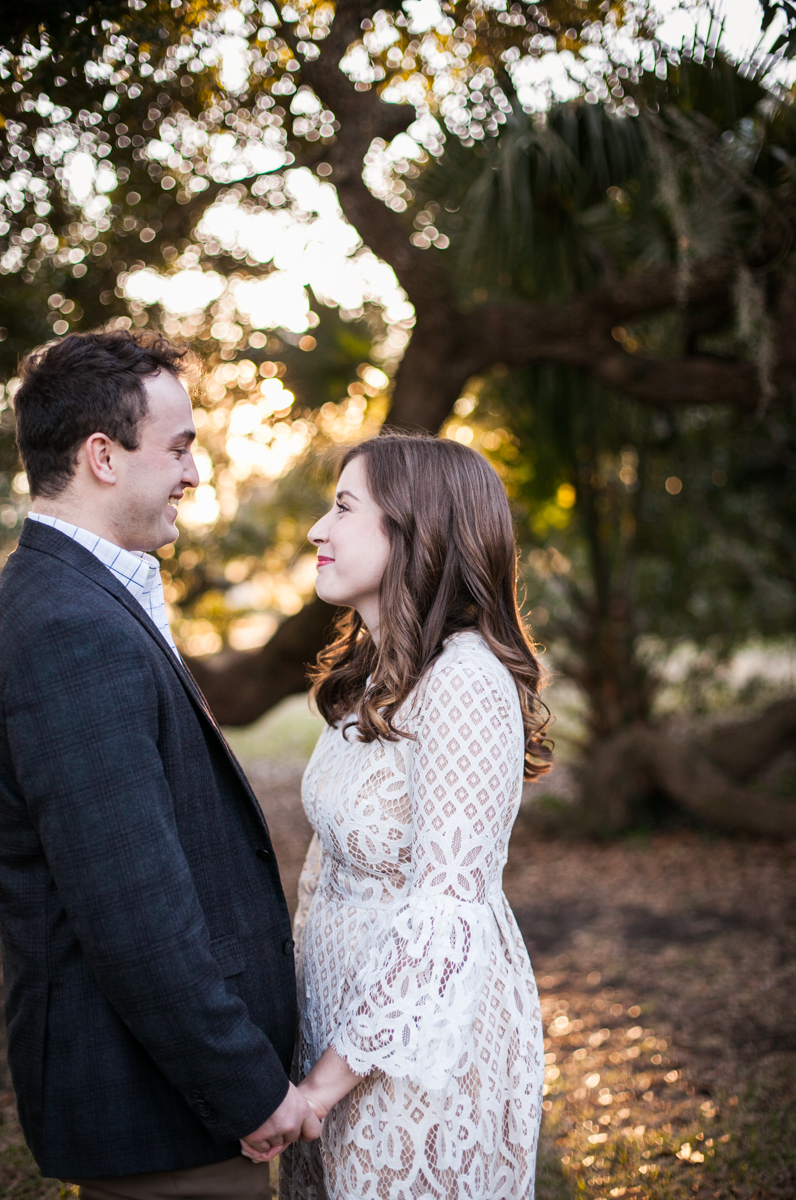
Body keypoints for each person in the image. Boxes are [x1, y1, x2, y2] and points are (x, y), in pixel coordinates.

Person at [0, 329, 320, 1200]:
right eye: (177, 447)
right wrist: (245, 1088)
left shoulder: (82, 596)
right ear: (102, 456)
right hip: (159, 1114)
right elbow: (131, 909)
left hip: (163, 1102)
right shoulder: (70, 626)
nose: (192, 472)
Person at [272, 434, 551, 1200]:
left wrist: (326, 1086)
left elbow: (446, 913)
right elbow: (323, 872)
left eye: (342, 507)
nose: (316, 532)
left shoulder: (464, 681)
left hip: (420, 1051)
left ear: (415, 529)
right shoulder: (375, 678)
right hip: (337, 1027)